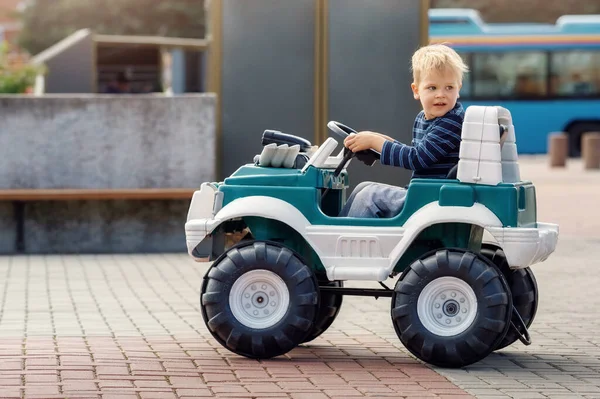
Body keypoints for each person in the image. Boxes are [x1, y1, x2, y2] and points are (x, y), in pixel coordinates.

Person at [339, 43, 468, 218]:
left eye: (449, 87)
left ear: (458, 89)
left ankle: (349, 242)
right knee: (363, 187)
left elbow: (417, 159)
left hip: (433, 198)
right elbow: (419, 153)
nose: (441, 94)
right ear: (416, 90)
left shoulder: (452, 122)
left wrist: (375, 142)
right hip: (425, 193)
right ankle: (338, 233)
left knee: (368, 197)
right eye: (432, 88)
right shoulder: (424, 118)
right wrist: (378, 140)